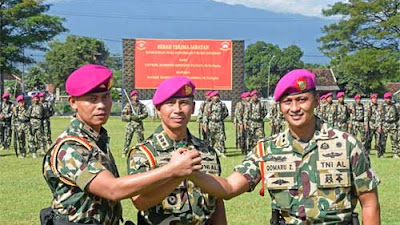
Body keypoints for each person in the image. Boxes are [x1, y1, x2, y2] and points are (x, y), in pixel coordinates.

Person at [188, 69, 381, 225]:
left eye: (302, 100)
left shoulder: (347, 145)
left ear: (315, 101)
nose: (295, 108)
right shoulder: (267, 149)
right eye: (287, 102)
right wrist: (191, 174)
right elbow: (229, 188)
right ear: (280, 107)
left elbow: (369, 203)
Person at [42, 65, 202, 225]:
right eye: (92, 99)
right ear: (73, 102)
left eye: (105, 97)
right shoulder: (70, 147)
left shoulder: (95, 140)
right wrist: (172, 170)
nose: (101, 105)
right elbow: (113, 189)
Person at [127, 76, 227, 225]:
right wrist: (176, 174)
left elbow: (217, 201)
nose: (178, 110)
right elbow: (140, 202)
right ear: (158, 109)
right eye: (170, 103)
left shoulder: (207, 151)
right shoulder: (144, 153)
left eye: (184, 103)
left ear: (193, 108)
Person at [121, 90, 148, 157]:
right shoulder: (128, 105)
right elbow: (123, 116)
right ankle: (124, 152)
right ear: (131, 97)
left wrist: (138, 117)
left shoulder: (141, 105)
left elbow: (146, 114)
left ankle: (142, 152)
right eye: (134, 95)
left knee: (141, 139)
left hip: (139, 125)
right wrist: (130, 117)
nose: (136, 97)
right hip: (130, 125)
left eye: (137, 95)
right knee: (128, 139)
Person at [204, 90, 229, 157]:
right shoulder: (209, 105)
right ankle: (212, 151)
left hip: (219, 123)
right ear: (212, 97)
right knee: (211, 138)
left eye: (217, 96)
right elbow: (205, 115)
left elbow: (226, 113)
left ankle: (222, 151)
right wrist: (205, 124)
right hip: (211, 123)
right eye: (215, 96)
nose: (216, 97)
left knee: (221, 138)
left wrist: (220, 118)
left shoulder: (222, 104)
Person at [379, 92, 399, 158]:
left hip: (393, 124)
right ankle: (382, 153)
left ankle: (395, 153)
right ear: (384, 99)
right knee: (383, 140)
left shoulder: (395, 106)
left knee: (394, 139)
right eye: (387, 98)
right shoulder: (382, 106)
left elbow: (398, 116)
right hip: (385, 124)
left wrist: (398, 126)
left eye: (389, 98)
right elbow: (379, 117)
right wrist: (379, 126)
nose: (388, 100)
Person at [29, 93, 45, 157]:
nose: (36, 100)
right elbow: (28, 114)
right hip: (32, 123)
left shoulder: (41, 106)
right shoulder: (30, 106)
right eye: (34, 98)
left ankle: (41, 149)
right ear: (32, 99)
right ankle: (33, 151)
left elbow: (44, 114)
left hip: (39, 122)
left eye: (37, 98)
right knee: (31, 138)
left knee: (40, 137)